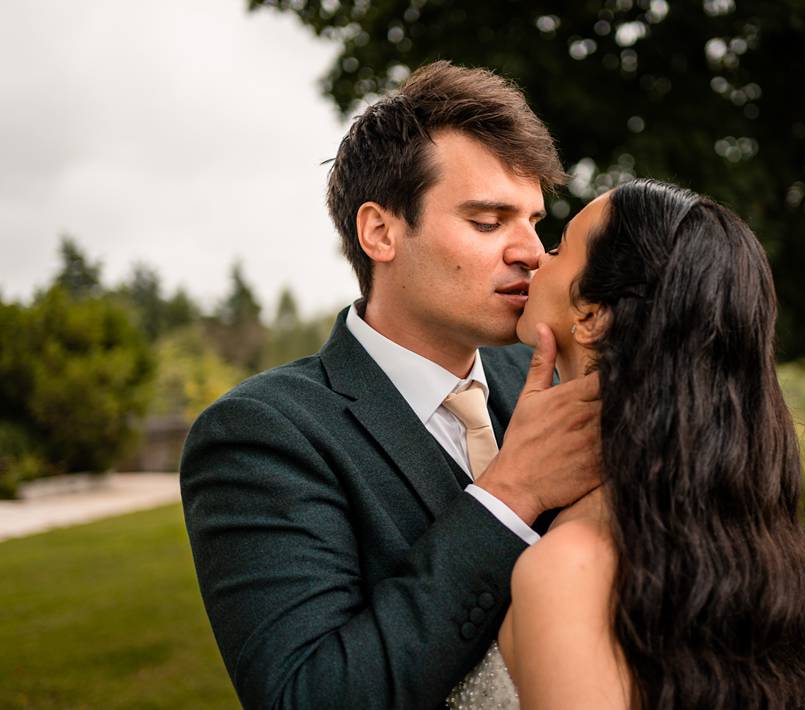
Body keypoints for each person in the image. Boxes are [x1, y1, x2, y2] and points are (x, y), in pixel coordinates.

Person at [180, 61, 601, 710]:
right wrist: (512, 491)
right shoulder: (260, 436)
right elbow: (308, 696)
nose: (531, 252)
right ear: (379, 231)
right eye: (489, 222)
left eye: (535, 222)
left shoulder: (554, 381)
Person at [458, 179, 805, 709]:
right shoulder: (715, 532)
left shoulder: (570, 568)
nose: (536, 256)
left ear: (590, 315)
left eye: (560, 247)